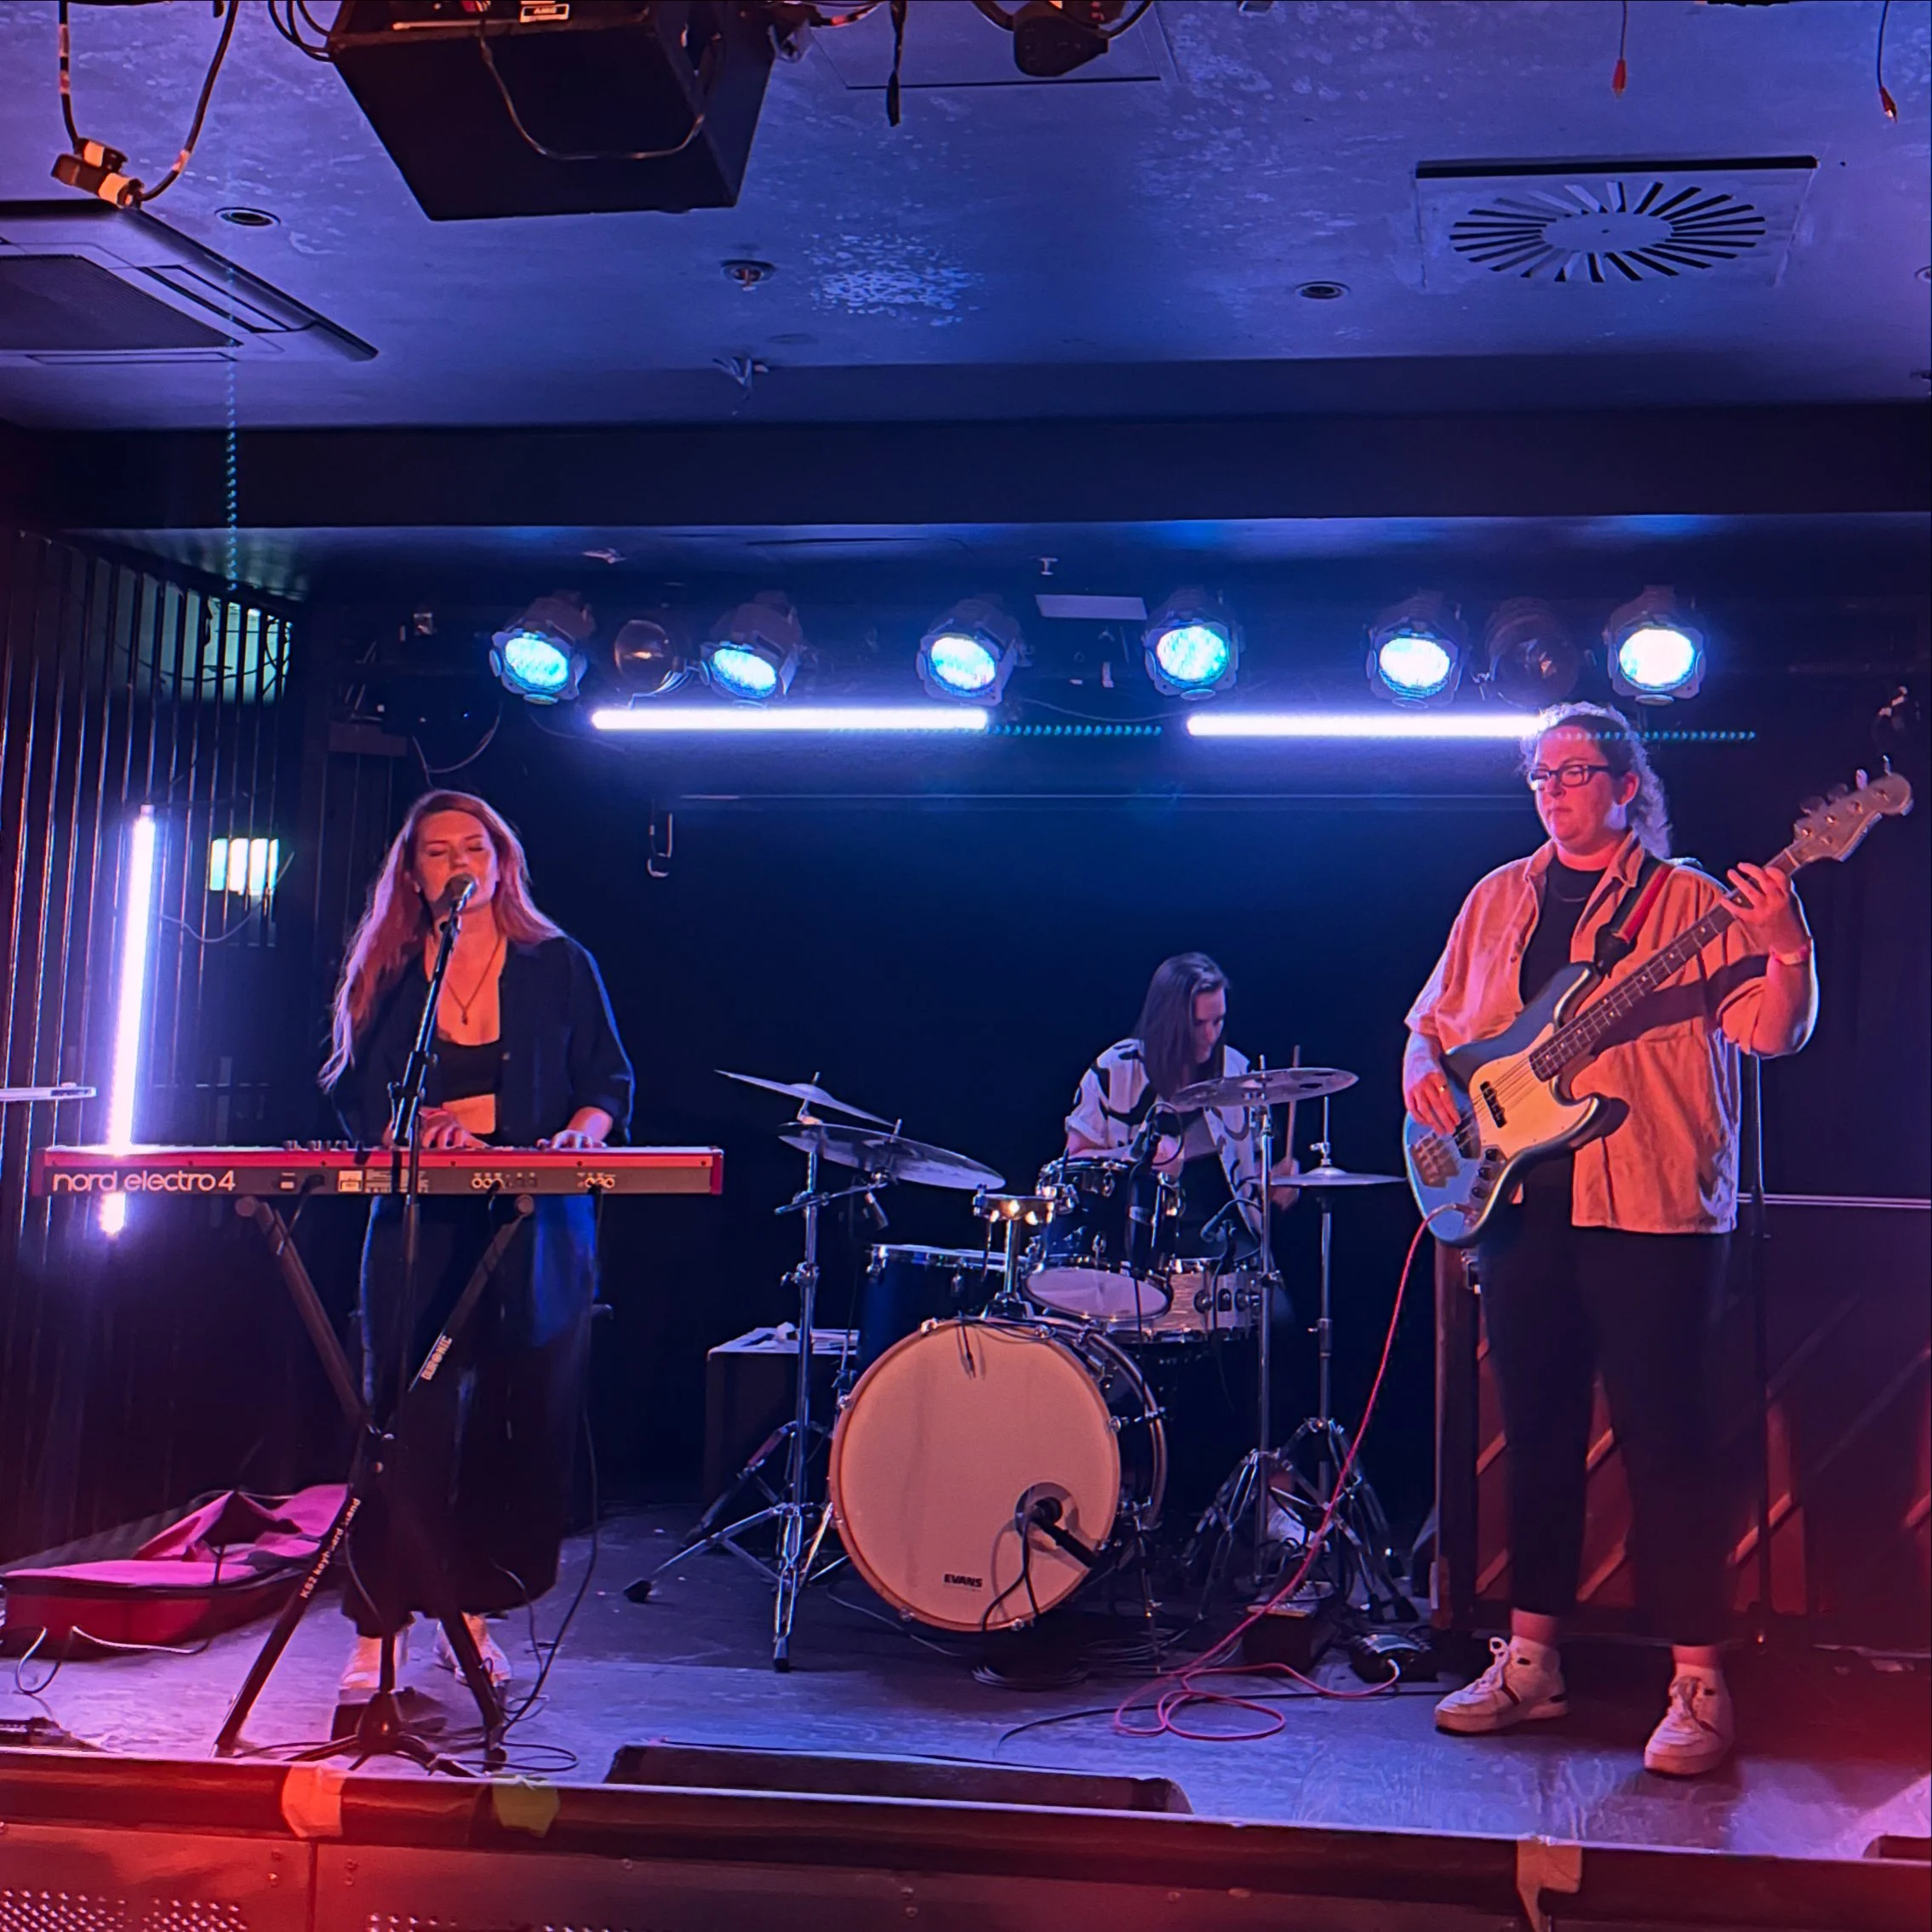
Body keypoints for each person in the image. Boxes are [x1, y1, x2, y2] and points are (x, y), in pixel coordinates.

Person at [1404, 703, 1816, 1776]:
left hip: (1650, 1205)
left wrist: (1786, 947)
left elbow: (1772, 1032)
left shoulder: (1690, 901)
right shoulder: (1496, 895)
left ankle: (1696, 1680)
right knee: (1533, 1437)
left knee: (1666, 1444)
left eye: (1575, 770)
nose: (1551, 788)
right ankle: (1531, 1661)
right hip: (1517, 1200)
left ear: (1626, 784)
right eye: (1538, 772)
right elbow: (1429, 1028)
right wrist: (1420, 1080)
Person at [320, 789, 633, 1695]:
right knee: (400, 1412)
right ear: (412, 874)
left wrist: (584, 1128)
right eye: (434, 851)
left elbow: (608, 1077)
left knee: (515, 1413)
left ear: (500, 862)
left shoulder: (557, 961)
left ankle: (474, 1613)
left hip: (534, 1217)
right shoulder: (392, 966)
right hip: (422, 1208)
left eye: (472, 847)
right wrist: (415, 1121)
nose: (455, 863)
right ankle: (378, 1627)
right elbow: (354, 1089)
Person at [1065, 952, 1295, 1263]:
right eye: (1198, 1024)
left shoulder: (1237, 1071)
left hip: (1218, 1238)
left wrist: (1278, 1183)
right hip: (1130, 1236)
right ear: (1167, 1021)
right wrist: (1139, 1158)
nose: (1211, 1036)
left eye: (1218, 1021)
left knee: (1277, 1310)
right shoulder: (1114, 1070)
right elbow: (1074, 1162)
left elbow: (1249, 1178)